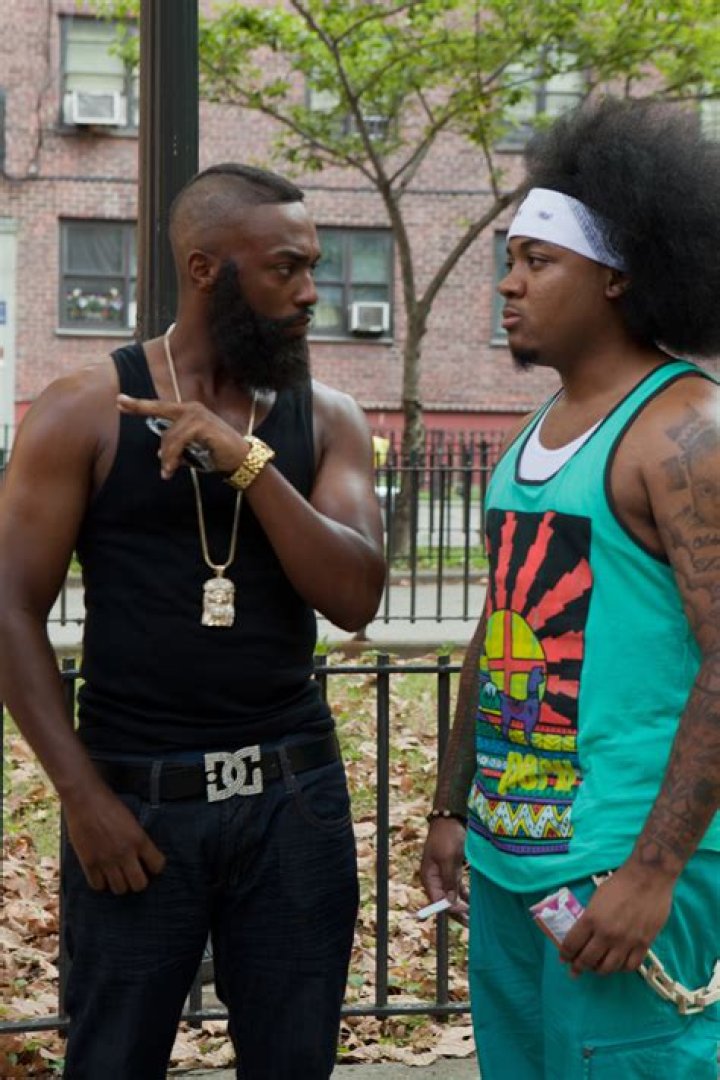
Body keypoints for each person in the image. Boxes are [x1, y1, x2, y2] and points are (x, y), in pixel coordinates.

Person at [0, 163, 386, 1079]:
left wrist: (249, 464)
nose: (310, 292)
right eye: (286, 268)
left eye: (314, 267)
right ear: (207, 269)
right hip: (135, 805)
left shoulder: (327, 417)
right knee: (112, 1062)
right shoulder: (86, 409)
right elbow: (8, 605)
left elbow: (355, 596)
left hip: (293, 801)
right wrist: (83, 799)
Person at [420, 97, 720, 1080]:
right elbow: (501, 627)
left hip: (623, 868)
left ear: (618, 276)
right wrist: (453, 808)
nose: (508, 285)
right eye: (509, 260)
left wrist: (654, 872)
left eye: (537, 261)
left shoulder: (685, 429)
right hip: (513, 861)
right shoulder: (533, 434)